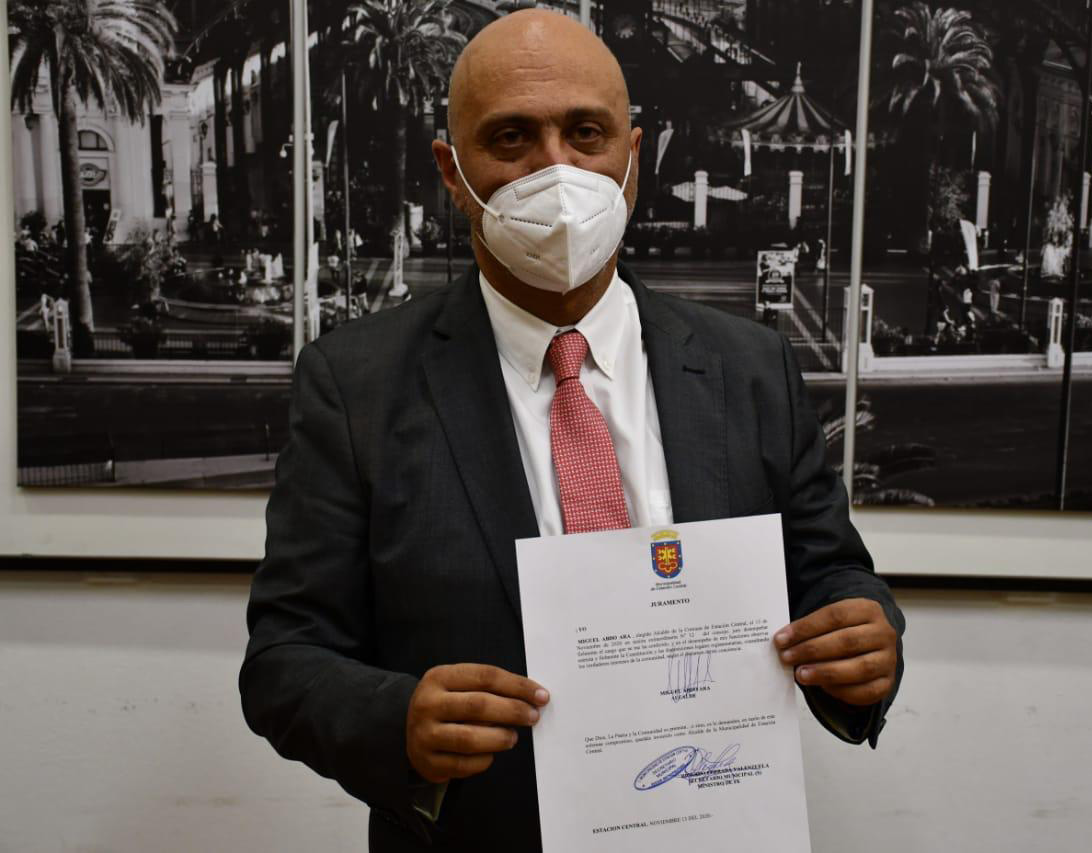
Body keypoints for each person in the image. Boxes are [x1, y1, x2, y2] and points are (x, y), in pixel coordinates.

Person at [240, 11, 903, 851]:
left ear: (633, 154)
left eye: (586, 133)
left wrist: (863, 632)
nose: (555, 169)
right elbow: (285, 659)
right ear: (452, 171)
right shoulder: (355, 386)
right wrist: (396, 720)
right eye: (510, 137)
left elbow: (830, 571)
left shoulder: (750, 368)